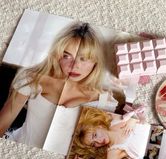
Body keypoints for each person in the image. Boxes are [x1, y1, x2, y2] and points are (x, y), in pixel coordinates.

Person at [0, 22, 119, 150]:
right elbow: (2, 124)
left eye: (83, 58)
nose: (74, 66)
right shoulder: (32, 78)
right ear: (57, 54)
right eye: (66, 56)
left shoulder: (104, 100)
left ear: (96, 60)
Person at [71, 106, 150, 159]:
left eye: (95, 135)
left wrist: (132, 121)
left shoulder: (114, 120)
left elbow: (136, 112)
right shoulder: (113, 153)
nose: (99, 141)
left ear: (99, 125)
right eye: (93, 144)